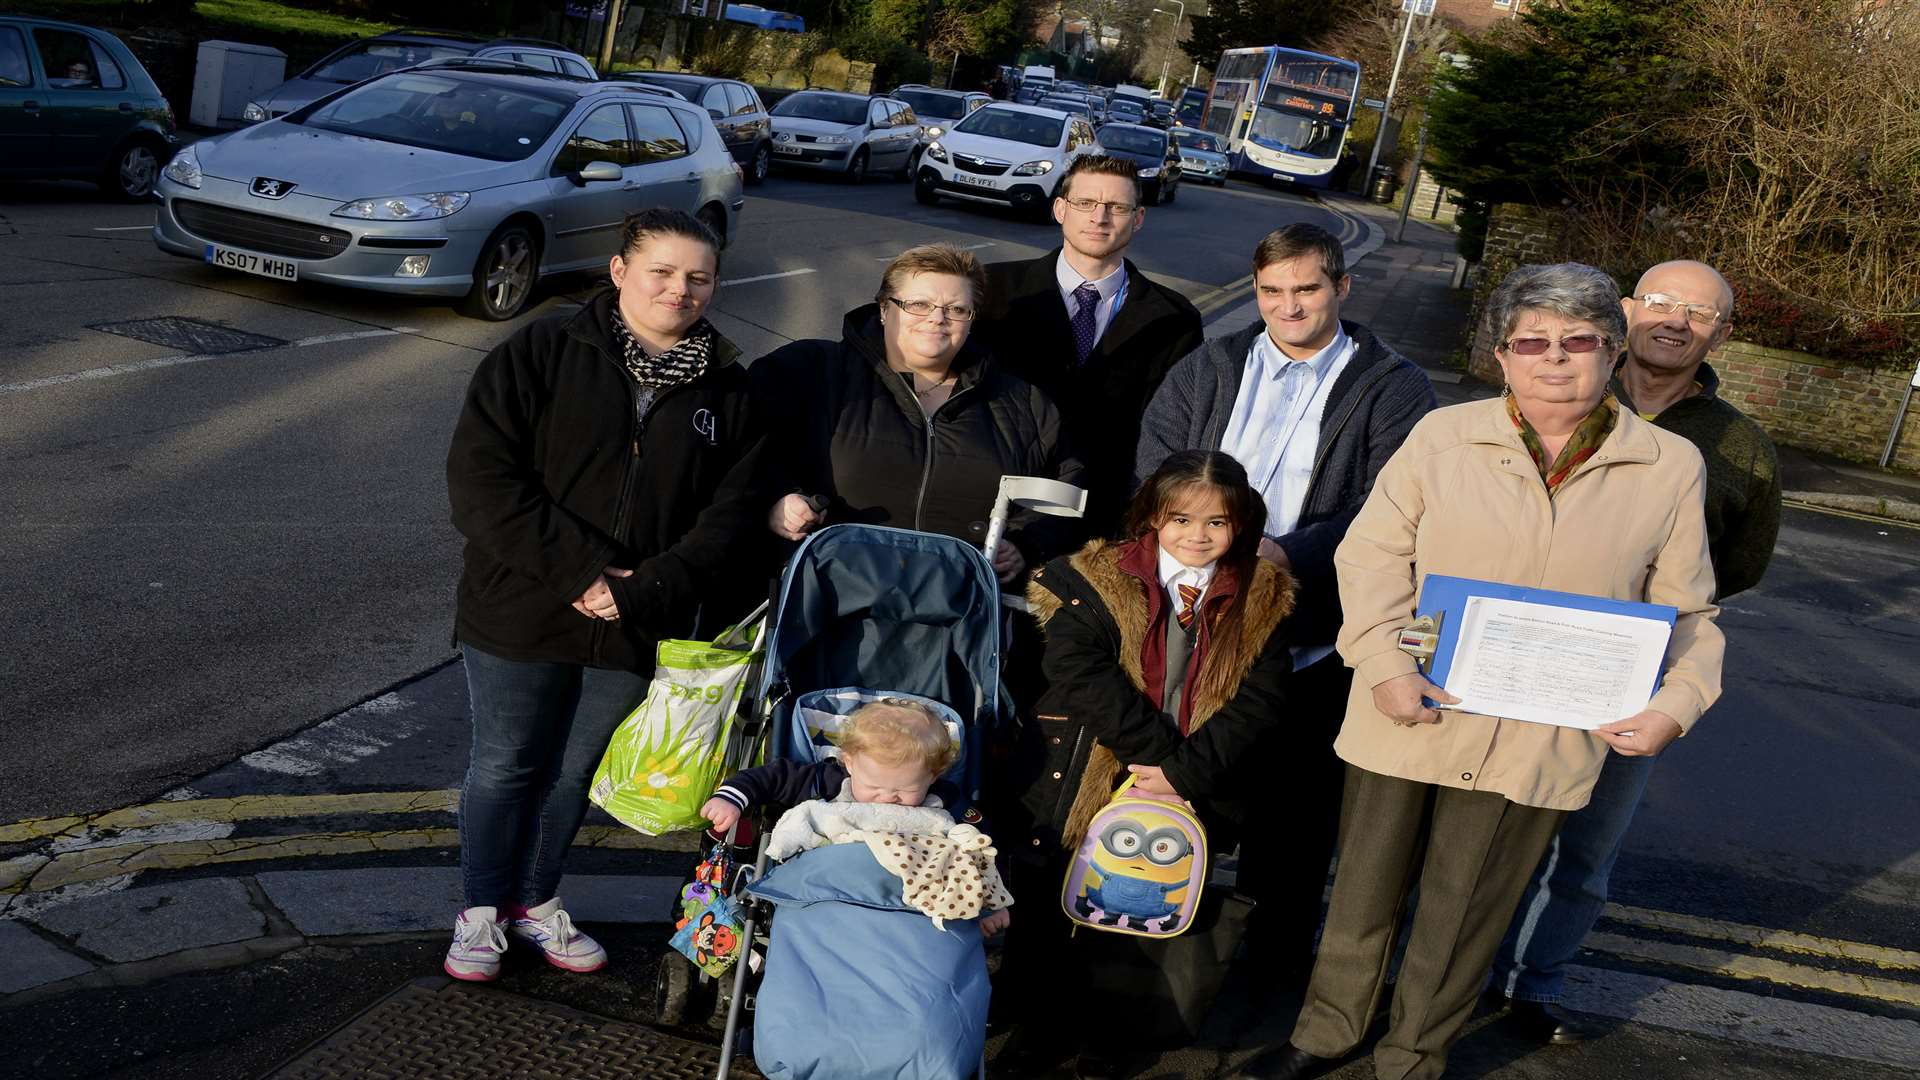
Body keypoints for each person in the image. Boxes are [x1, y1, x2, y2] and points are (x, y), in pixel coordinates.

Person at [1228, 262, 1725, 1080]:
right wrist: (1384, 665)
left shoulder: (1668, 465)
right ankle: (1325, 1033)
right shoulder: (1442, 436)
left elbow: (1689, 611)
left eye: (1579, 341)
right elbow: (1371, 557)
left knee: (1465, 916)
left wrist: (1676, 702)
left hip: (1543, 734)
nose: (1554, 358)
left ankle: (1412, 1055)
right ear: (1503, 355)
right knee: (1361, 898)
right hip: (1412, 707)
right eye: (1533, 341)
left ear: (1611, 351)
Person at [442, 208, 767, 982]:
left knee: (576, 769)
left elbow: (729, 516)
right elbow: (483, 482)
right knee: (507, 765)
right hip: (519, 602)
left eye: (698, 277)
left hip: (637, 620)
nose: (680, 290)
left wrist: (647, 589)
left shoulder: (729, 387)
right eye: (661, 271)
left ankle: (537, 900)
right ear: (620, 272)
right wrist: (581, 573)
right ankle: (482, 912)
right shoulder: (544, 350)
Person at [1486, 259, 1782, 1043]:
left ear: (1721, 332)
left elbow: (1740, 566)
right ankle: (1434, 973)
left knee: (1583, 848)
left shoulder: (1741, 447)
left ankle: (1529, 987)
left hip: (1631, 674)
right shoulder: (1556, 386)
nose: (1676, 320)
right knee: (1477, 827)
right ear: (1625, 310)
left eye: (1700, 312)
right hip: (1511, 648)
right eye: (1660, 301)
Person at [1136, 223, 1435, 979]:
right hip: (1195, 622)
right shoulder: (1211, 365)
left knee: (1291, 820)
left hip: (1311, 632)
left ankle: (1269, 977)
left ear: (1341, 286)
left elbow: (1389, 507)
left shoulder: (1393, 385)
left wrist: (1285, 554)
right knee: (1182, 793)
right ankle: (1160, 966)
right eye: (1271, 291)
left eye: (1305, 289)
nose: (1287, 306)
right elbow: (1155, 471)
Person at [1003, 450, 1296, 1078]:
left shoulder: (1261, 595)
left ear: (1242, 524)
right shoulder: (1089, 579)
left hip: (1197, 777)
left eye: (1217, 522)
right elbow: (1079, 672)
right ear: (1151, 517)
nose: (1198, 535)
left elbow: (1259, 700)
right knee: (1058, 892)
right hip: (1091, 764)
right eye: (1181, 519)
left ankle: (1113, 1032)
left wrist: (1184, 775)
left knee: (1143, 897)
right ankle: (1038, 1026)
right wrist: (1155, 759)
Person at [753, 243, 1083, 583]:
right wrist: (776, 499)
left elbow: (1065, 492)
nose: (936, 318)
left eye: (956, 308)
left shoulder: (1024, 403)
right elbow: (735, 452)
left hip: (955, 613)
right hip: (827, 599)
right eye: (918, 304)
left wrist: (1023, 542)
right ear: (884, 308)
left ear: (972, 320)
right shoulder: (810, 371)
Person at [977, 155, 1204, 534]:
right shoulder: (993, 293)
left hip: (1104, 522)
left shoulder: (1175, 320)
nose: (1100, 218)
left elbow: (1171, 433)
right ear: (1060, 209)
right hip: (991, 504)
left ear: (1139, 218)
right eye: (1085, 203)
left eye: (1117, 207)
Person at [700, 697, 1010, 934]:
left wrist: (989, 903)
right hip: (823, 898)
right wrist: (731, 799)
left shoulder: (945, 801)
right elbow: (768, 778)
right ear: (849, 762)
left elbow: (981, 850)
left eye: (905, 789)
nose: (888, 798)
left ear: (933, 775)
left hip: (910, 913)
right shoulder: (826, 782)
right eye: (874, 786)